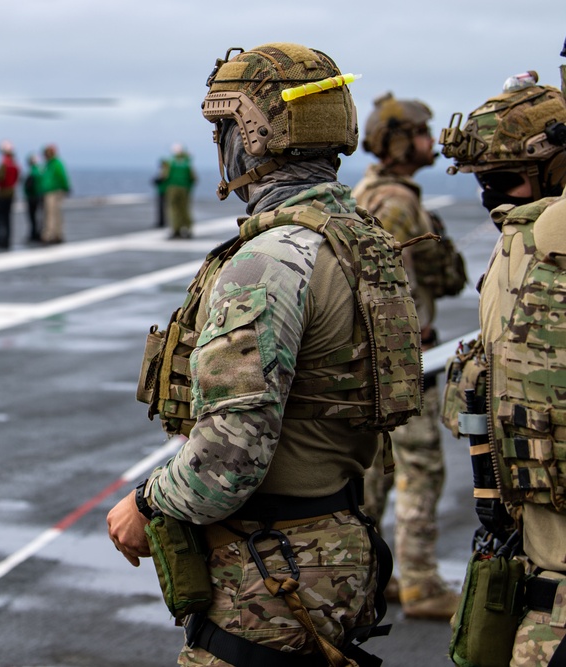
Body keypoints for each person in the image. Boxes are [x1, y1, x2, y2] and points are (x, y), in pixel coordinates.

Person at [108, 42, 421, 666]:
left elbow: (232, 452)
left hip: (269, 569)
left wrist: (145, 502)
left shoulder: (269, 261)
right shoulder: (361, 240)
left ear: (251, 135)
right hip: (336, 543)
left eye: (224, 128)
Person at [438, 69, 566, 665]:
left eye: (506, 181)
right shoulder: (516, 245)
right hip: (527, 550)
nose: (493, 200)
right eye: (482, 184)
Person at [352, 92, 463, 620]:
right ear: (399, 142)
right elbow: (384, 285)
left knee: (373, 474)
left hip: (376, 360)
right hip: (400, 359)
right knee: (419, 466)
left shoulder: (374, 192)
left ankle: (368, 579)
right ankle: (418, 579)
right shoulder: (395, 203)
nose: (430, 141)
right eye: (421, 132)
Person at [0, 140, 19, 250]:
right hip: (11, 192)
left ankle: (0, 241)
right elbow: (17, 177)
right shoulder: (15, 163)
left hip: (2, 193)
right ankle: (7, 241)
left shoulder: (4, 163)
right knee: (7, 218)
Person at [163, 143, 197, 238]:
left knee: (174, 209)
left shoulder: (170, 162)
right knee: (185, 209)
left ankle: (176, 230)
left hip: (172, 188)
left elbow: (165, 176)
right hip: (185, 188)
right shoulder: (187, 162)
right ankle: (188, 229)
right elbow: (193, 177)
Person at [39, 144, 70, 244]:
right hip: (51, 191)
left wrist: (65, 187)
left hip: (53, 192)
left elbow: (62, 177)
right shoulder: (50, 164)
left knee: (51, 214)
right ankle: (56, 234)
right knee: (55, 213)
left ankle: (49, 235)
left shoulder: (55, 164)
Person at [22, 154, 44, 243]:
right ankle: (38, 233)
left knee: (32, 217)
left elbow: (29, 185)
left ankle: (34, 234)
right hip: (40, 196)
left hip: (32, 197)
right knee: (39, 216)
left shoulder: (33, 171)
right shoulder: (40, 170)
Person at [152, 158, 168, 228]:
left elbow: (161, 179)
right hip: (162, 190)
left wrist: (156, 180)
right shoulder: (164, 171)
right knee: (162, 208)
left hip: (164, 191)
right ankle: (162, 221)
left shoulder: (165, 171)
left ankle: (162, 222)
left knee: (163, 208)